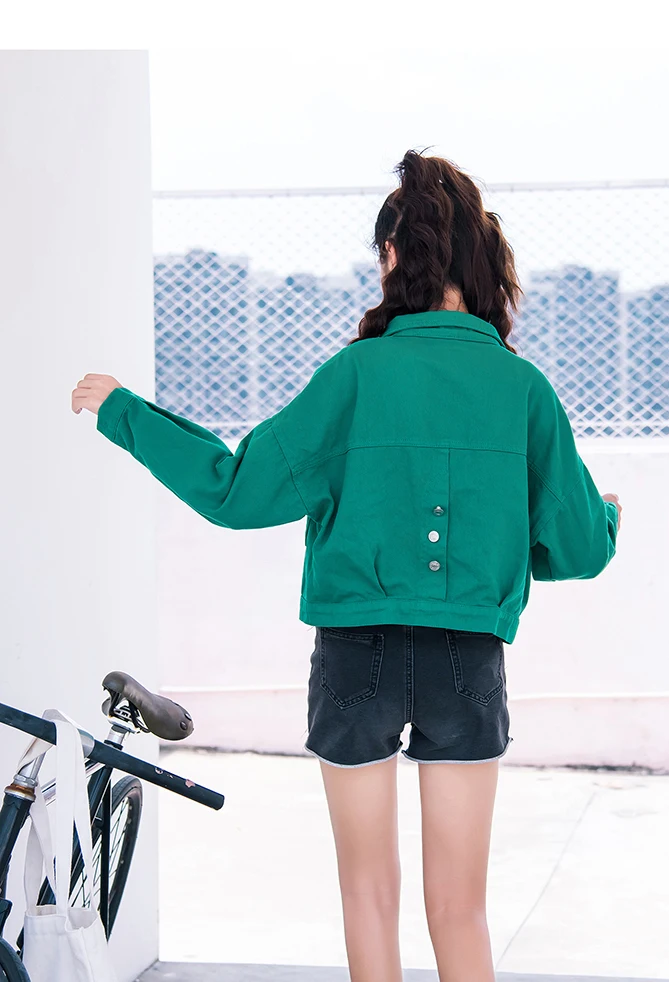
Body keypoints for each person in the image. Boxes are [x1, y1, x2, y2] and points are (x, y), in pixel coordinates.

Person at [72, 148, 622, 982]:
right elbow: (577, 550)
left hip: (355, 656)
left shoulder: (355, 375)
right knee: (461, 910)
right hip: (467, 660)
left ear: (395, 255)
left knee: (367, 896)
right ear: (480, 261)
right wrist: (603, 516)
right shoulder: (524, 389)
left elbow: (234, 491)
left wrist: (124, 411)